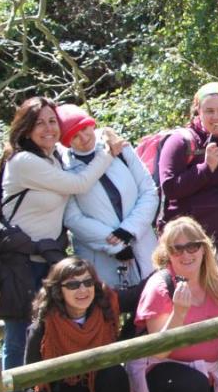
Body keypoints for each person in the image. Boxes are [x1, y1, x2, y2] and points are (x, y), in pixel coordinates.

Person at [0, 96, 122, 392]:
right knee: (20, 341)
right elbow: (79, 183)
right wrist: (108, 153)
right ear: (25, 128)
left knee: (46, 332)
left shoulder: (51, 157)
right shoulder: (24, 162)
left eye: (52, 121)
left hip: (48, 260)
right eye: (39, 122)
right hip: (21, 264)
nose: (48, 128)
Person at [126, 216, 218, 392]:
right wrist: (179, 313)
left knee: (202, 391)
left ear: (203, 248)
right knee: (194, 387)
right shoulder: (160, 286)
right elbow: (159, 350)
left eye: (192, 246)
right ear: (167, 253)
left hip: (206, 373)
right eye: (177, 249)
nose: (186, 254)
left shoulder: (215, 278)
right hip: (161, 368)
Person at [59, 104, 159, 288]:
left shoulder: (118, 148)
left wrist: (129, 230)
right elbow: (72, 218)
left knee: (155, 304)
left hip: (144, 247)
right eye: (74, 136)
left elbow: (148, 191)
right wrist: (116, 245)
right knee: (111, 309)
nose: (83, 137)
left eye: (84, 129)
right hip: (101, 258)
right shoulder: (64, 169)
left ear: (91, 125)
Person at [24, 257, 133, 392]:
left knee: (115, 374)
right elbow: (28, 384)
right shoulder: (43, 328)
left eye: (88, 283)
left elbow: (139, 294)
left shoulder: (105, 308)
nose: (83, 290)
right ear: (58, 290)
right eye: (73, 285)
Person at [158, 82, 218, 272]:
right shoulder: (180, 141)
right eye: (209, 111)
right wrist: (206, 168)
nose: (216, 117)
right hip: (185, 245)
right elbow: (169, 187)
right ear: (198, 111)